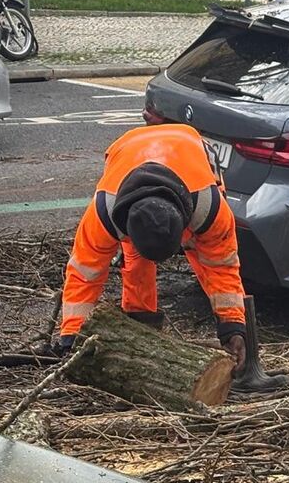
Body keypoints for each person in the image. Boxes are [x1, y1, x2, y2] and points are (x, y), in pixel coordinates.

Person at [56, 124, 248, 374]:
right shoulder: (104, 213)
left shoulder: (210, 208)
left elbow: (221, 266)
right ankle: (141, 325)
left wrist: (233, 326)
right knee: (135, 262)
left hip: (188, 147)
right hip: (126, 147)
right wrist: (72, 334)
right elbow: (84, 273)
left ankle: (227, 329)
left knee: (208, 257)